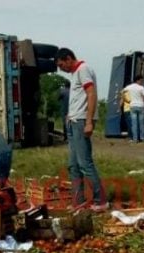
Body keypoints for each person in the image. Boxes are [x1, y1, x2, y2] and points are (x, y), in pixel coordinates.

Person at [55, 47, 105, 210]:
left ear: (69, 58)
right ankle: (79, 200)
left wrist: (89, 121)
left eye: (62, 65)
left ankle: (100, 200)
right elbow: (79, 97)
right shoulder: (76, 74)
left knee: (84, 163)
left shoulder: (83, 70)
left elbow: (91, 94)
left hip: (82, 121)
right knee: (73, 165)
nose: (62, 69)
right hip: (74, 120)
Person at [121, 75, 144, 143]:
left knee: (134, 123)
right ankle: (142, 138)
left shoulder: (130, 87)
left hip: (132, 105)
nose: (142, 82)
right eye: (141, 80)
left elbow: (122, 91)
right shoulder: (141, 88)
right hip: (141, 105)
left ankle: (135, 139)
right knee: (141, 123)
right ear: (138, 80)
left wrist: (125, 99)